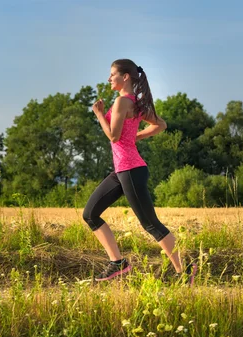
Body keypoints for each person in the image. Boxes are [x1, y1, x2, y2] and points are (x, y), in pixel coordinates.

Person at [82, 59, 197, 284]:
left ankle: (184, 272)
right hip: (123, 170)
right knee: (90, 214)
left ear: (125, 77)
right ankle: (118, 263)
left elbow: (114, 136)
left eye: (112, 74)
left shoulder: (122, 102)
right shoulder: (135, 102)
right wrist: (136, 136)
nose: (109, 79)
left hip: (131, 170)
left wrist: (99, 115)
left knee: (150, 223)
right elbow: (161, 125)